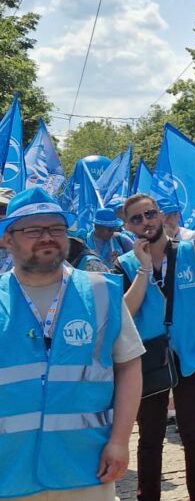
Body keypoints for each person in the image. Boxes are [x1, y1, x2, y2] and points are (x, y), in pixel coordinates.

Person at [0, 188, 144, 501]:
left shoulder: (101, 291)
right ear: (7, 239)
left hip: (85, 466)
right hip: (9, 470)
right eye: (33, 230)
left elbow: (130, 364)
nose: (47, 237)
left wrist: (120, 440)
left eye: (56, 228)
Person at [116, 193, 195, 501]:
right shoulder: (124, 265)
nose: (145, 222)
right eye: (136, 218)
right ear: (127, 225)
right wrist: (142, 268)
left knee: (194, 434)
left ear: (161, 214)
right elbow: (125, 312)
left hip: (192, 355)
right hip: (148, 360)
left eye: (149, 214)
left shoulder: (191, 251)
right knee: (150, 437)